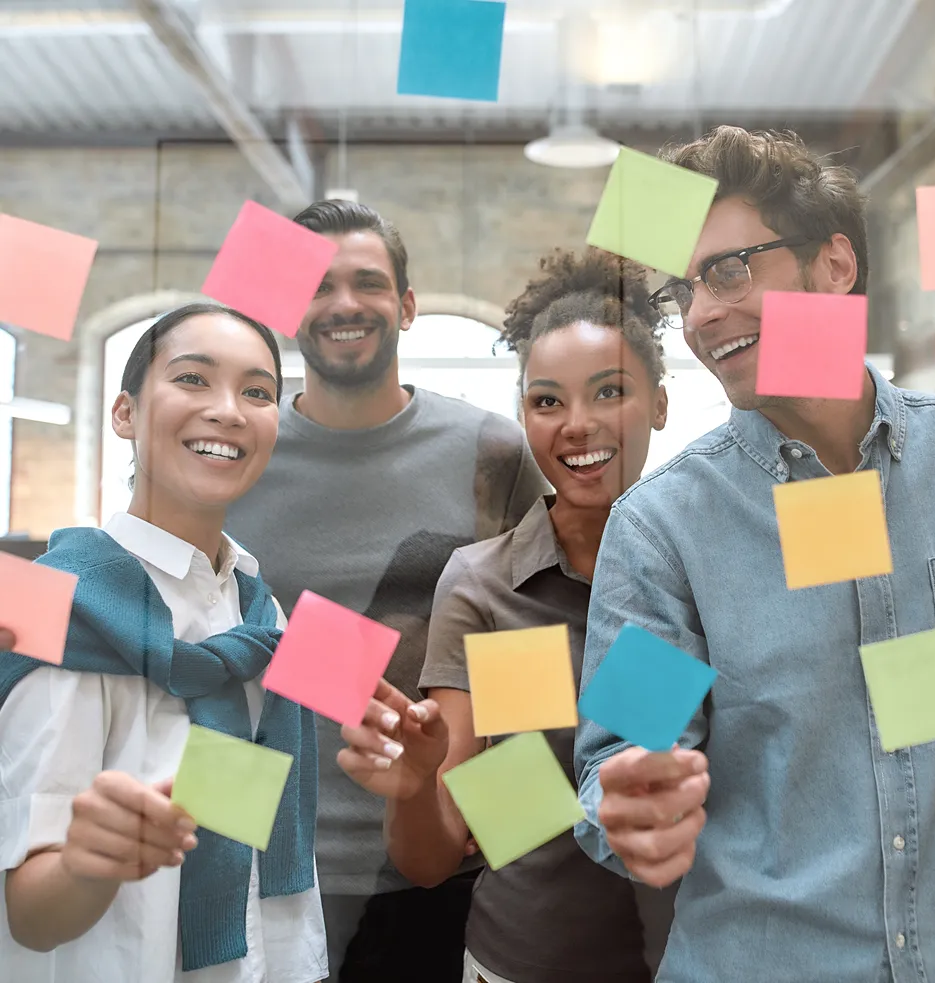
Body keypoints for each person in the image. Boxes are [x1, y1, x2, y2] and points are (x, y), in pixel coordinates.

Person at [573, 126, 935, 983]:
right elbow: (622, 755)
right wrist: (630, 800)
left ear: (835, 266)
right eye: (683, 289)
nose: (698, 314)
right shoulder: (664, 529)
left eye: (729, 270)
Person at [224, 200, 547, 981]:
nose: (343, 303)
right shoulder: (236, 452)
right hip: (258, 865)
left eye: (367, 282)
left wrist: (510, 829)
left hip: (437, 878)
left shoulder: (491, 451)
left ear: (407, 304)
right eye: (318, 284)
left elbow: (540, 645)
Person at [338, 247, 675, 983]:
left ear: (660, 401)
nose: (576, 426)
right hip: (523, 961)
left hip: (699, 958)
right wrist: (416, 785)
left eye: (609, 391)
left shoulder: (705, 563)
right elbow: (434, 856)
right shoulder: (485, 586)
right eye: (547, 400)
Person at [0, 303, 327, 983]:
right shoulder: (56, 605)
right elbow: (29, 916)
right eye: (193, 379)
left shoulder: (259, 611)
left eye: (258, 391)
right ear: (124, 414)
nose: (230, 410)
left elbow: (236, 836)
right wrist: (89, 864)